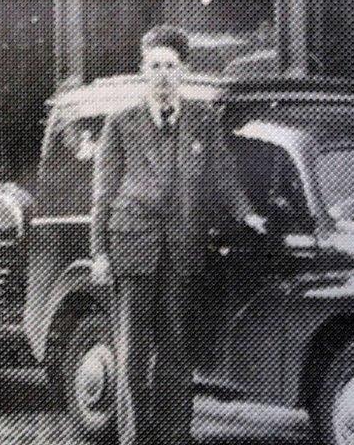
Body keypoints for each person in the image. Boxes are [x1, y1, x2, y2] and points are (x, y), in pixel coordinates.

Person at [90, 25, 266, 445]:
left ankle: (175, 438)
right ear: (142, 72)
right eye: (155, 67)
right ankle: (135, 439)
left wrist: (247, 215)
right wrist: (99, 253)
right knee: (132, 355)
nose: (163, 75)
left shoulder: (202, 123)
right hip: (133, 251)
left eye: (171, 66)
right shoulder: (120, 125)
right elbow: (103, 195)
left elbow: (223, 175)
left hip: (183, 252)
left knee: (176, 351)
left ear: (183, 71)